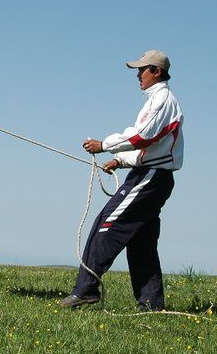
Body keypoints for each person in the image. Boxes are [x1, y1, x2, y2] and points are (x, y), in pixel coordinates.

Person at [59, 50, 184, 311]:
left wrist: (104, 145)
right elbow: (151, 144)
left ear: (157, 72)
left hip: (150, 177)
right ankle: (151, 304)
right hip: (153, 176)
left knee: (107, 224)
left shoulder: (162, 100)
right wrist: (121, 161)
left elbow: (142, 137)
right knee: (141, 241)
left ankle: (86, 289)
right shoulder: (156, 100)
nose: (138, 75)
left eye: (142, 70)